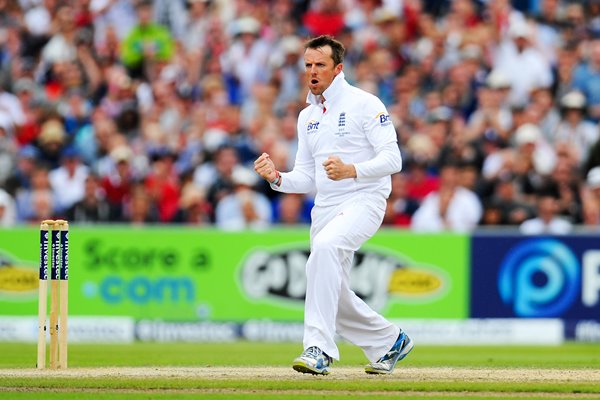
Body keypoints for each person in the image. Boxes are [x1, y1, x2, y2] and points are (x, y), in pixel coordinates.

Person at [253, 35, 412, 376]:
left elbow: (393, 158)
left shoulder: (364, 104)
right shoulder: (306, 116)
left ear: (338, 69)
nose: (312, 71)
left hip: (364, 199)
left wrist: (351, 170)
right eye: (308, 65)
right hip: (325, 207)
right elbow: (308, 177)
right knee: (328, 286)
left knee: (323, 251)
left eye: (320, 65)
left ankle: (318, 350)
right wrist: (277, 178)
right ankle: (390, 341)